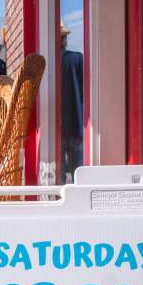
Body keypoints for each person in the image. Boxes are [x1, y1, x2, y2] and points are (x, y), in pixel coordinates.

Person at [60, 23, 84, 180]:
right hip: (76, 121)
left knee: (57, 171)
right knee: (78, 170)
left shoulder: (45, 61)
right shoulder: (78, 59)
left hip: (56, 125)